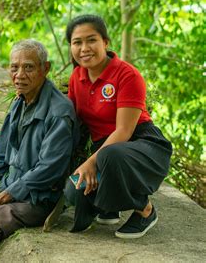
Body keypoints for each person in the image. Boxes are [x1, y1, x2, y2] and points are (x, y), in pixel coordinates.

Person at [0, 39, 78, 263]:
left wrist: (2, 197)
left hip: (37, 199)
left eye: (28, 67)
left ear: (45, 68)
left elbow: (49, 169)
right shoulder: (19, 102)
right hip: (9, 188)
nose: (19, 74)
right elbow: (0, 158)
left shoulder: (59, 112)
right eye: (14, 67)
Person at [64, 14, 173, 238]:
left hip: (143, 146)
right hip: (107, 150)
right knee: (73, 191)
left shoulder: (127, 75)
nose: (84, 48)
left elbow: (124, 131)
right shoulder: (77, 76)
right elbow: (74, 121)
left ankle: (145, 210)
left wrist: (91, 162)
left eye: (91, 40)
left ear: (105, 42)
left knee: (109, 156)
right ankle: (109, 206)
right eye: (77, 42)